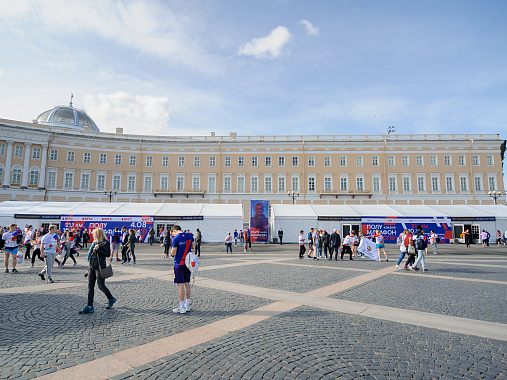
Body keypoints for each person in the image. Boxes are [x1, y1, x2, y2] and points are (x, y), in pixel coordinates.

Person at [79, 228, 117, 314]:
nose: (92, 236)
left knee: (100, 285)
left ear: (98, 234)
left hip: (99, 267)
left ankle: (111, 298)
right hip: (92, 266)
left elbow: (107, 254)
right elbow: (91, 256)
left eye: (94, 234)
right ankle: (89, 306)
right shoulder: (94, 243)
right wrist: (88, 269)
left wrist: (98, 249)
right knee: (90, 286)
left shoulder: (105, 243)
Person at [170, 225, 194, 314]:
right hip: (188, 263)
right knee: (187, 284)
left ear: (174, 231)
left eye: (172, 233)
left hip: (179, 263)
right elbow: (193, 246)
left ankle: (181, 306)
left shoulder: (176, 238)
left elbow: (173, 252)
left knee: (180, 285)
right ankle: (187, 305)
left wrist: (172, 252)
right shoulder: (189, 235)